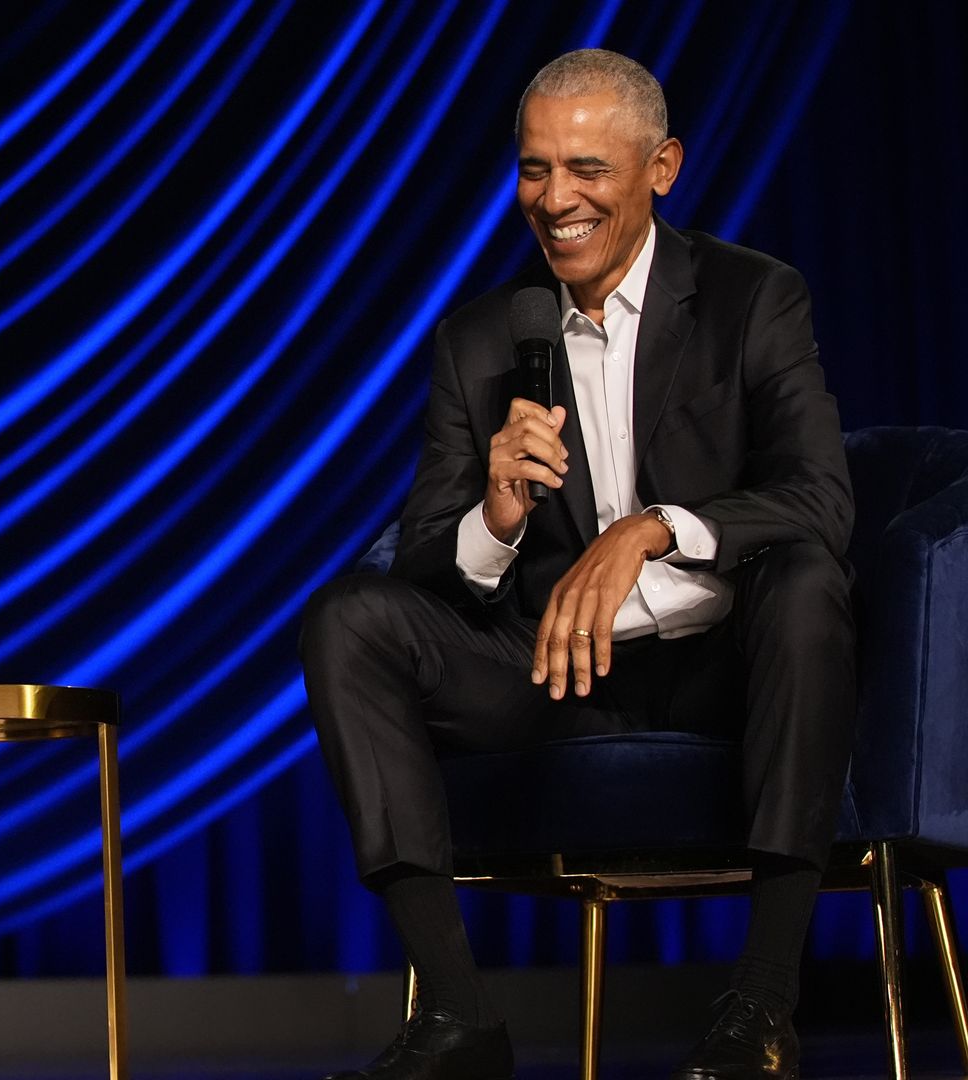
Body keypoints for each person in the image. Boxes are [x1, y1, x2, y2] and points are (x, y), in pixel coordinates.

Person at [298, 49, 852, 1080]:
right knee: (348, 621)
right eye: (535, 169)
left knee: (811, 585)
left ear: (662, 166)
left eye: (587, 169)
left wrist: (645, 530)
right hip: (553, 674)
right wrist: (496, 515)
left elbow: (821, 499)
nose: (556, 200)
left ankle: (764, 1008)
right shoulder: (480, 340)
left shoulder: (751, 298)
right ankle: (458, 1017)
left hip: (717, 666)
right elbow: (425, 560)